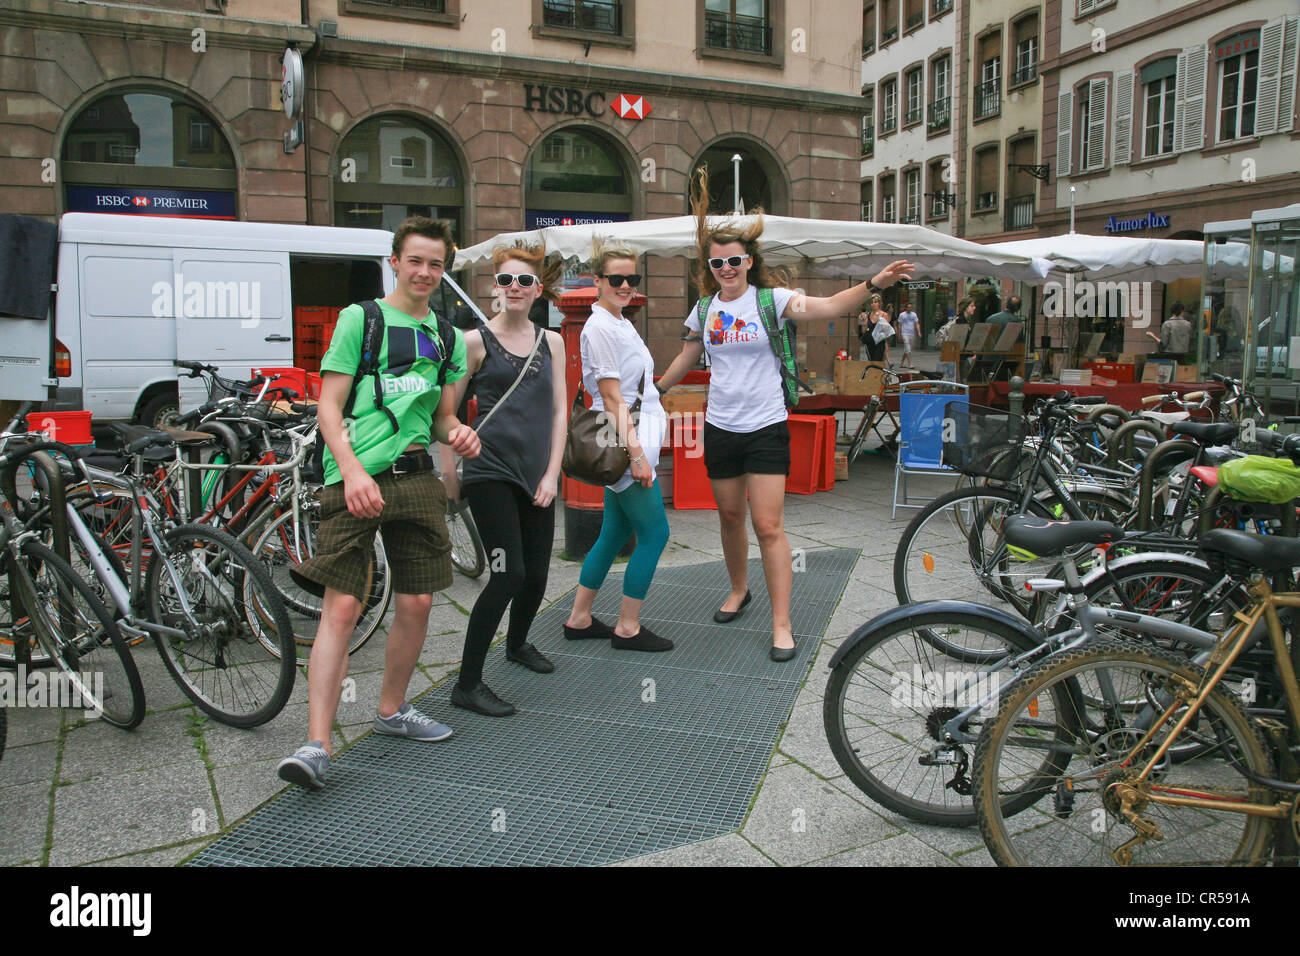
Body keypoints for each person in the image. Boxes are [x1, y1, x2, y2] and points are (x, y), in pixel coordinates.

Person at [657, 168, 913, 661]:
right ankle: (738, 590)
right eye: (717, 264)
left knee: (768, 526)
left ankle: (782, 623)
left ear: (749, 262)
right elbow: (689, 355)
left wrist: (873, 283)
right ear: (709, 269)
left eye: (733, 261)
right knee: (729, 517)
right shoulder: (705, 309)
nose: (726, 269)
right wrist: (658, 389)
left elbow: (830, 306)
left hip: (767, 426)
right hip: (721, 426)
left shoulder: (772, 301)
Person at [277, 216, 480, 791]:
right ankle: (316, 744)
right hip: (356, 477)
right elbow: (329, 408)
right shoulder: (360, 319)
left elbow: (440, 417)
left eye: (435, 264)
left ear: (445, 270)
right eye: (415, 260)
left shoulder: (446, 335)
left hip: (415, 477)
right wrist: (350, 471)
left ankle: (391, 711)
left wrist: (458, 433)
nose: (424, 272)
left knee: (416, 602)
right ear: (395, 261)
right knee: (344, 606)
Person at [447, 243, 567, 717]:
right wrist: (447, 473)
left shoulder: (551, 341)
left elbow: (560, 412)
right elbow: (448, 413)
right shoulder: (472, 342)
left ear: (538, 290)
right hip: (490, 472)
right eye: (506, 281)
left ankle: (517, 644)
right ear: (494, 288)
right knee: (506, 573)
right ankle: (468, 683)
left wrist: (553, 474)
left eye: (524, 281)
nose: (514, 288)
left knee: (537, 573)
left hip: (537, 473)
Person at [562, 238, 673, 652]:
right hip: (625, 442)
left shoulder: (620, 321)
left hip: (630, 437)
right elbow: (612, 399)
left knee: (612, 534)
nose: (625, 285)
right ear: (598, 280)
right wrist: (639, 458)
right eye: (616, 279)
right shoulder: (601, 327)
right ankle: (627, 628)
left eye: (632, 278)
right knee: (656, 535)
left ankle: (578, 617)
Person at [858, 294, 892, 364]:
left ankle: (877, 374)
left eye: (875, 302)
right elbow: (863, 330)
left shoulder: (884, 315)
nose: (873, 304)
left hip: (879, 341)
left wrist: (880, 321)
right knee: (871, 361)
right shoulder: (868, 315)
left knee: (877, 360)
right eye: (872, 302)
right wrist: (863, 321)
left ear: (879, 303)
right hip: (869, 341)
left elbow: (886, 331)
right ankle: (873, 374)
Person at [896, 300, 919, 368]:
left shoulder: (914, 314)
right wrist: (899, 334)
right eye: (908, 307)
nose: (910, 308)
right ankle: (910, 364)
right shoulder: (902, 315)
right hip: (904, 333)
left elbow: (916, 323)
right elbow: (900, 325)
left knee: (907, 349)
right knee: (908, 348)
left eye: (911, 307)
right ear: (906, 308)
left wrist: (918, 332)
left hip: (911, 333)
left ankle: (901, 363)